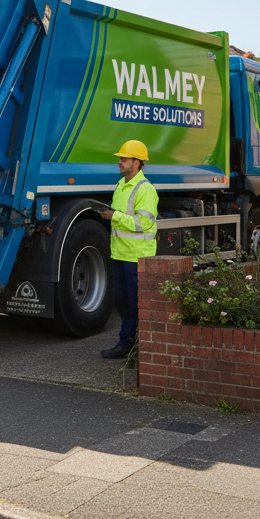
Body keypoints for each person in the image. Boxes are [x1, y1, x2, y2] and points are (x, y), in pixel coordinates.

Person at [99, 139, 158, 361]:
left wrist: (114, 216)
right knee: (123, 303)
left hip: (137, 257)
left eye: (124, 158)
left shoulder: (146, 189)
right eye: (120, 158)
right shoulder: (120, 185)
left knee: (135, 305)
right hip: (120, 255)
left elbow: (144, 223)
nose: (120, 162)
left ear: (137, 162)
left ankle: (130, 346)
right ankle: (129, 343)